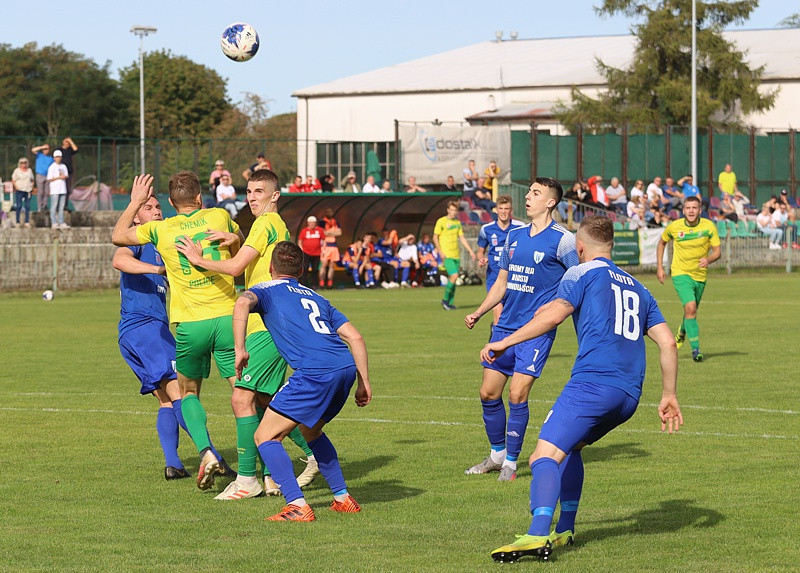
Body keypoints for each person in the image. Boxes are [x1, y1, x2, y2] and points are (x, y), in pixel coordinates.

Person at [483, 215, 682, 563]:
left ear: (579, 247)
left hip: (592, 384)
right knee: (571, 447)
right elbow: (667, 342)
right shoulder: (639, 286)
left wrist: (505, 342)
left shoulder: (581, 272)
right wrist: (668, 395)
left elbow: (554, 315)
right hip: (628, 396)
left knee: (542, 457)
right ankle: (566, 528)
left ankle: (536, 534)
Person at [175, 169, 320, 500]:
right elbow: (257, 260)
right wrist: (237, 239)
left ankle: (247, 480)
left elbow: (236, 268)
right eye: (249, 191)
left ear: (274, 195)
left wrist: (197, 258)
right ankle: (296, 464)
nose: (252, 196)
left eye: (259, 191)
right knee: (266, 400)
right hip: (271, 323)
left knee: (242, 398)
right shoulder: (275, 225)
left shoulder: (266, 223)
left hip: (265, 325)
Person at [112, 171, 242, 491]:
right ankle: (209, 453)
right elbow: (118, 257)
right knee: (180, 392)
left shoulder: (164, 237)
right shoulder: (144, 241)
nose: (155, 211)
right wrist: (157, 268)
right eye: (148, 207)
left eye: (158, 206)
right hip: (143, 328)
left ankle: (173, 463)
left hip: (155, 329)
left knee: (166, 400)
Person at [234, 241, 372, 522]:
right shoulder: (318, 297)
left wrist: (240, 348)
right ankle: (343, 498)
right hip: (344, 367)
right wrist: (363, 382)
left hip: (314, 372)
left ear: (271, 268)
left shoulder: (264, 289)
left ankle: (297, 505)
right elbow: (355, 337)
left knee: (265, 436)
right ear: (302, 270)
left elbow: (240, 303)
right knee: (311, 431)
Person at [465, 178, 578, 482]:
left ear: (551, 202)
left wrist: (558, 308)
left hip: (536, 331)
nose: (528, 197)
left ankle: (511, 465)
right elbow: (501, 283)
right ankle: (496, 455)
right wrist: (479, 312)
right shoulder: (513, 237)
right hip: (504, 328)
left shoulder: (563, 240)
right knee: (488, 393)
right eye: (529, 192)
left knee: (517, 394)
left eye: (535, 193)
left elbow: (577, 279)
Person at [656, 195, 721, 362]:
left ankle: (681, 333)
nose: (691, 211)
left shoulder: (708, 226)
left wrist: (709, 259)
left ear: (700, 210)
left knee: (690, 311)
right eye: (688, 208)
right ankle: (696, 350)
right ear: (683, 210)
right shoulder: (674, 227)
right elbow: (662, 243)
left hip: (700, 276)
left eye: (694, 208)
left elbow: (717, 252)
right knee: (691, 308)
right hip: (680, 273)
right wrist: (660, 267)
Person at [475, 195, 526, 325]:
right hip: (494, 277)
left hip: (514, 277)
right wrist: (481, 259)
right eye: (501, 208)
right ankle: (499, 341)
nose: (503, 211)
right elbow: (480, 252)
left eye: (506, 208)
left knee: (512, 317)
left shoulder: (520, 228)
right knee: (498, 316)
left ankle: (497, 336)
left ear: (511, 210)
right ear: (496, 210)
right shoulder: (486, 229)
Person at [433, 201, 476, 310]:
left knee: (453, 279)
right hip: (447, 255)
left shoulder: (457, 223)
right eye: (451, 210)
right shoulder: (441, 221)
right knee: (454, 276)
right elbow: (435, 237)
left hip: (456, 255)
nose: (453, 212)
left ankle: (450, 303)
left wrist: (470, 251)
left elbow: (461, 238)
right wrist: (440, 251)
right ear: (448, 210)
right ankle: (445, 300)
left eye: (455, 210)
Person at [297, 216, 325, 287]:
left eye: (313, 223)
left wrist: (323, 250)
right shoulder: (304, 231)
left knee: (315, 270)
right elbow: (300, 240)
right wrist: (301, 250)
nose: (312, 224)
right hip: (306, 253)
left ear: (315, 223)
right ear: (308, 223)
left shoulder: (320, 230)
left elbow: (323, 240)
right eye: (310, 223)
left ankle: (314, 285)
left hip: (317, 253)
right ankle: (303, 284)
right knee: (305, 268)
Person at [320, 208, 342, 289]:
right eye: (328, 212)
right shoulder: (322, 222)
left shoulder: (336, 222)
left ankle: (330, 283)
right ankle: (321, 283)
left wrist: (328, 232)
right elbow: (323, 233)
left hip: (334, 246)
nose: (330, 213)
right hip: (325, 246)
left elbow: (339, 233)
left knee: (332, 265)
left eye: (331, 212)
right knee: (324, 264)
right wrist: (333, 233)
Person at [47, 150, 70, 229]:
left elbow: (66, 175)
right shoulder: (52, 167)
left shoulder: (63, 166)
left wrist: (63, 176)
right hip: (54, 190)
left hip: (63, 189)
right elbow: (49, 178)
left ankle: (61, 222)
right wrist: (59, 177)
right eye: (56, 157)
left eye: (59, 157)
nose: (58, 158)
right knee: (54, 206)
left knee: (61, 207)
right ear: (54, 158)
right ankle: (54, 222)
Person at [11, 157, 35, 227]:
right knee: (19, 206)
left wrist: (32, 187)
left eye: (25, 163)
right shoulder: (17, 171)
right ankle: (17, 222)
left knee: (27, 206)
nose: (23, 164)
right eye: (22, 163)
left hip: (28, 190)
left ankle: (27, 221)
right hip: (19, 190)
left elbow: (32, 179)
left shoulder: (29, 171)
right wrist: (16, 187)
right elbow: (13, 180)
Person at [31, 143, 53, 212]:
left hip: (48, 176)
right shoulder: (39, 155)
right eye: (44, 149)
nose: (46, 150)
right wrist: (42, 147)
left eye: (47, 149)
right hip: (40, 175)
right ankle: (39, 206)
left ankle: (45, 205)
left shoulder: (51, 158)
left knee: (46, 192)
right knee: (40, 192)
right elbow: (33, 150)